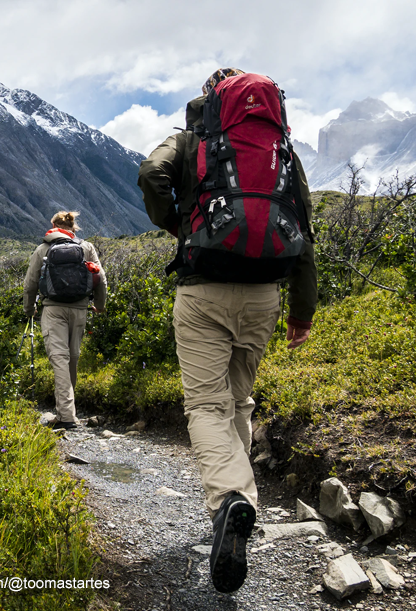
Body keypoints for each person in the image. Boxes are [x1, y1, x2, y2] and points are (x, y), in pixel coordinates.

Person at [137, 68, 318, 593]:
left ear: (211, 99)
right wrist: (301, 313)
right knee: (239, 401)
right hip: (264, 294)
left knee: (205, 406)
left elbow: (151, 173)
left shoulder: (193, 139)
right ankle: (239, 502)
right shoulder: (280, 150)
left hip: (204, 290)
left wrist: (175, 222)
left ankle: (230, 501)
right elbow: (303, 227)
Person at [22, 211, 107, 430]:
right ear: (73, 228)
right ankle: (68, 410)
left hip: (53, 310)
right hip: (80, 309)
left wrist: (30, 309)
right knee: (73, 358)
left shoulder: (43, 249)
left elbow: (30, 283)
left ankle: (67, 416)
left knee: (59, 358)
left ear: (53, 226)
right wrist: (100, 305)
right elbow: (101, 279)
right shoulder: (86, 248)